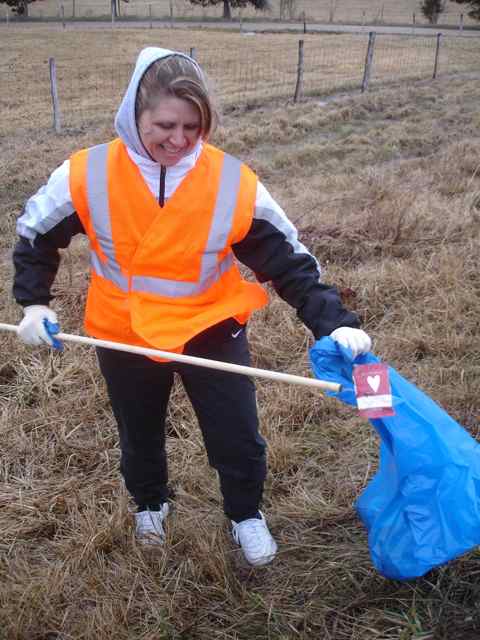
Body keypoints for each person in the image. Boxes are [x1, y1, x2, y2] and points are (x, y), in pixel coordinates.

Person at [12, 47, 371, 567]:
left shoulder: (232, 181)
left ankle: (246, 514)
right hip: (124, 330)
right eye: (164, 124)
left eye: (193, 127)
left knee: (237, 432)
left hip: (211, 324)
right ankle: (150, 505)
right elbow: (34, 235)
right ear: (135, 114)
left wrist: (333, 323)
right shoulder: (85, 173)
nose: (178, 141)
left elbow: (287, 257)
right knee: (138, 430)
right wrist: (33, 304)